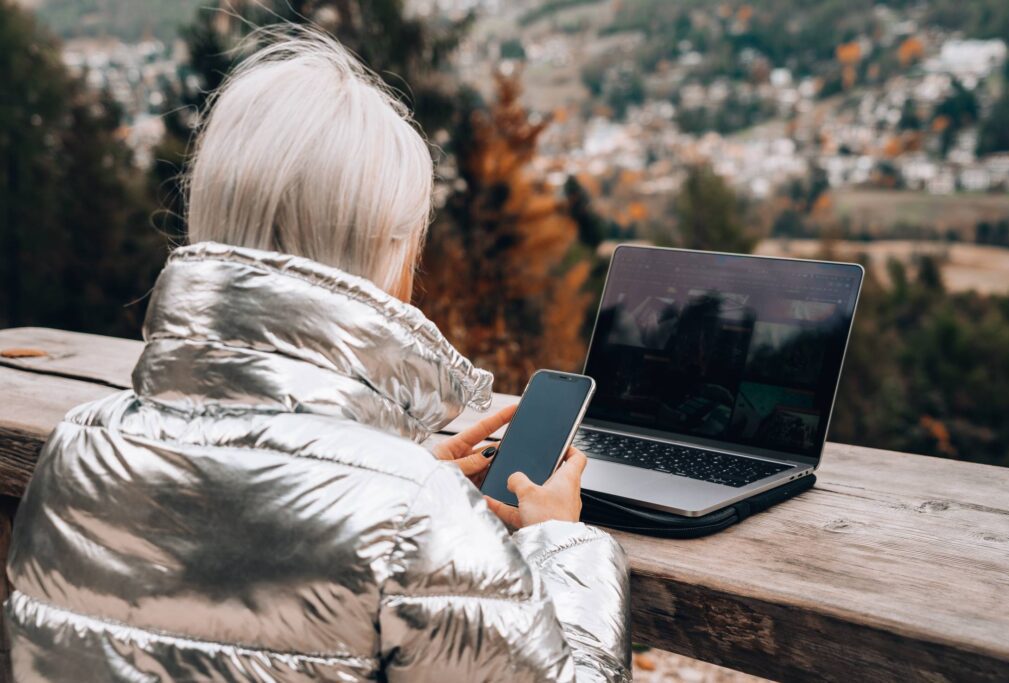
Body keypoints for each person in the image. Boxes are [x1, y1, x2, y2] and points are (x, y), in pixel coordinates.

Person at [4, 27, 631, 682]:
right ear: (391, 248)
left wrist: (397, 475)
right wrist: (560, 541)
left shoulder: (78, 445)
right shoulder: (414, 509)